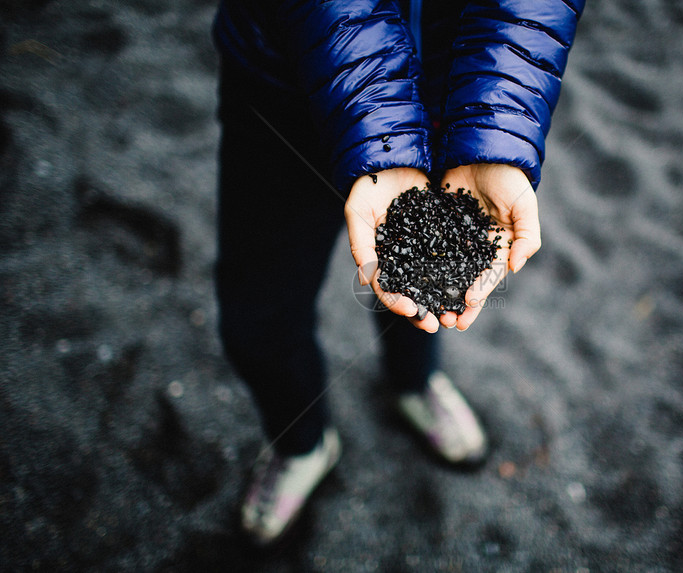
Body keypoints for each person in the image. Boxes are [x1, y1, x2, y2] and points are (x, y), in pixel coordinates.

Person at [212, 0, 585, 544]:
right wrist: (379, 129)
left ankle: (413, 384)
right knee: (259, 311)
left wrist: (498, 136)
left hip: (460, 89)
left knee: (423, 298)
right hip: (281, 75)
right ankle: (301, 442)